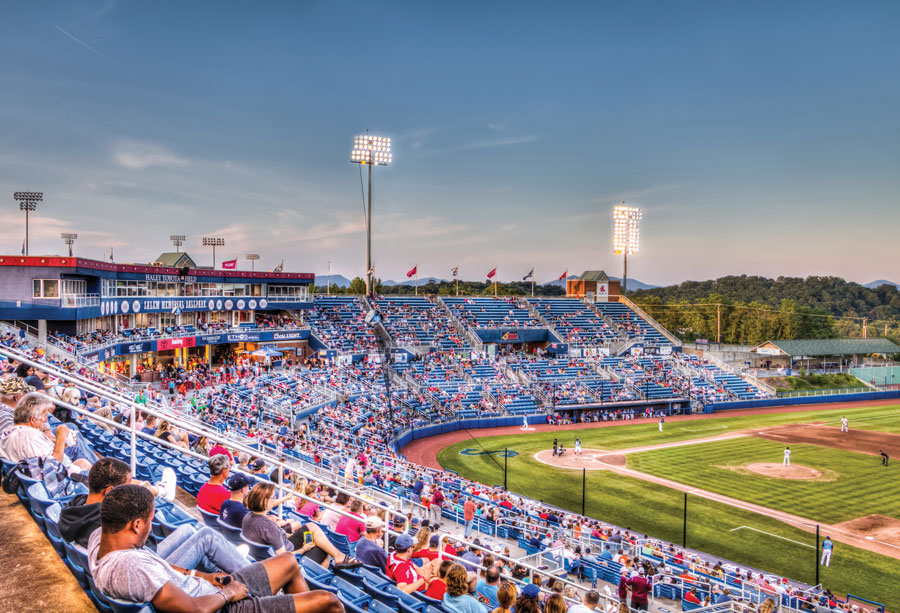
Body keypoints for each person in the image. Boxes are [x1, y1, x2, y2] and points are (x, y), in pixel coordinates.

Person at [87, 484, 343, 613]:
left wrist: (201, 575)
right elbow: (195, 610)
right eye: (151, 521)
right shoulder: (133, 567)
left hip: (212, 588)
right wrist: (229, 593)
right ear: (137, 524)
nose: (151, 527)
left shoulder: (100, 537)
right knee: (329, 601)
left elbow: (161, 569)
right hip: (221, 607)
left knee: (288, 560)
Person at [241, 482, 353, 569]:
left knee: (311, 526)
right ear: (265, 502)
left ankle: (339, 556)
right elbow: (284, 558)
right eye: (273, 498)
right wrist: (303, 549)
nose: (275, 500)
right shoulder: (269, 527)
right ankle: (310, 585)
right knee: (324, 552)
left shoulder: (247, 517)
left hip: (279, 547)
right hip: (288, 558)